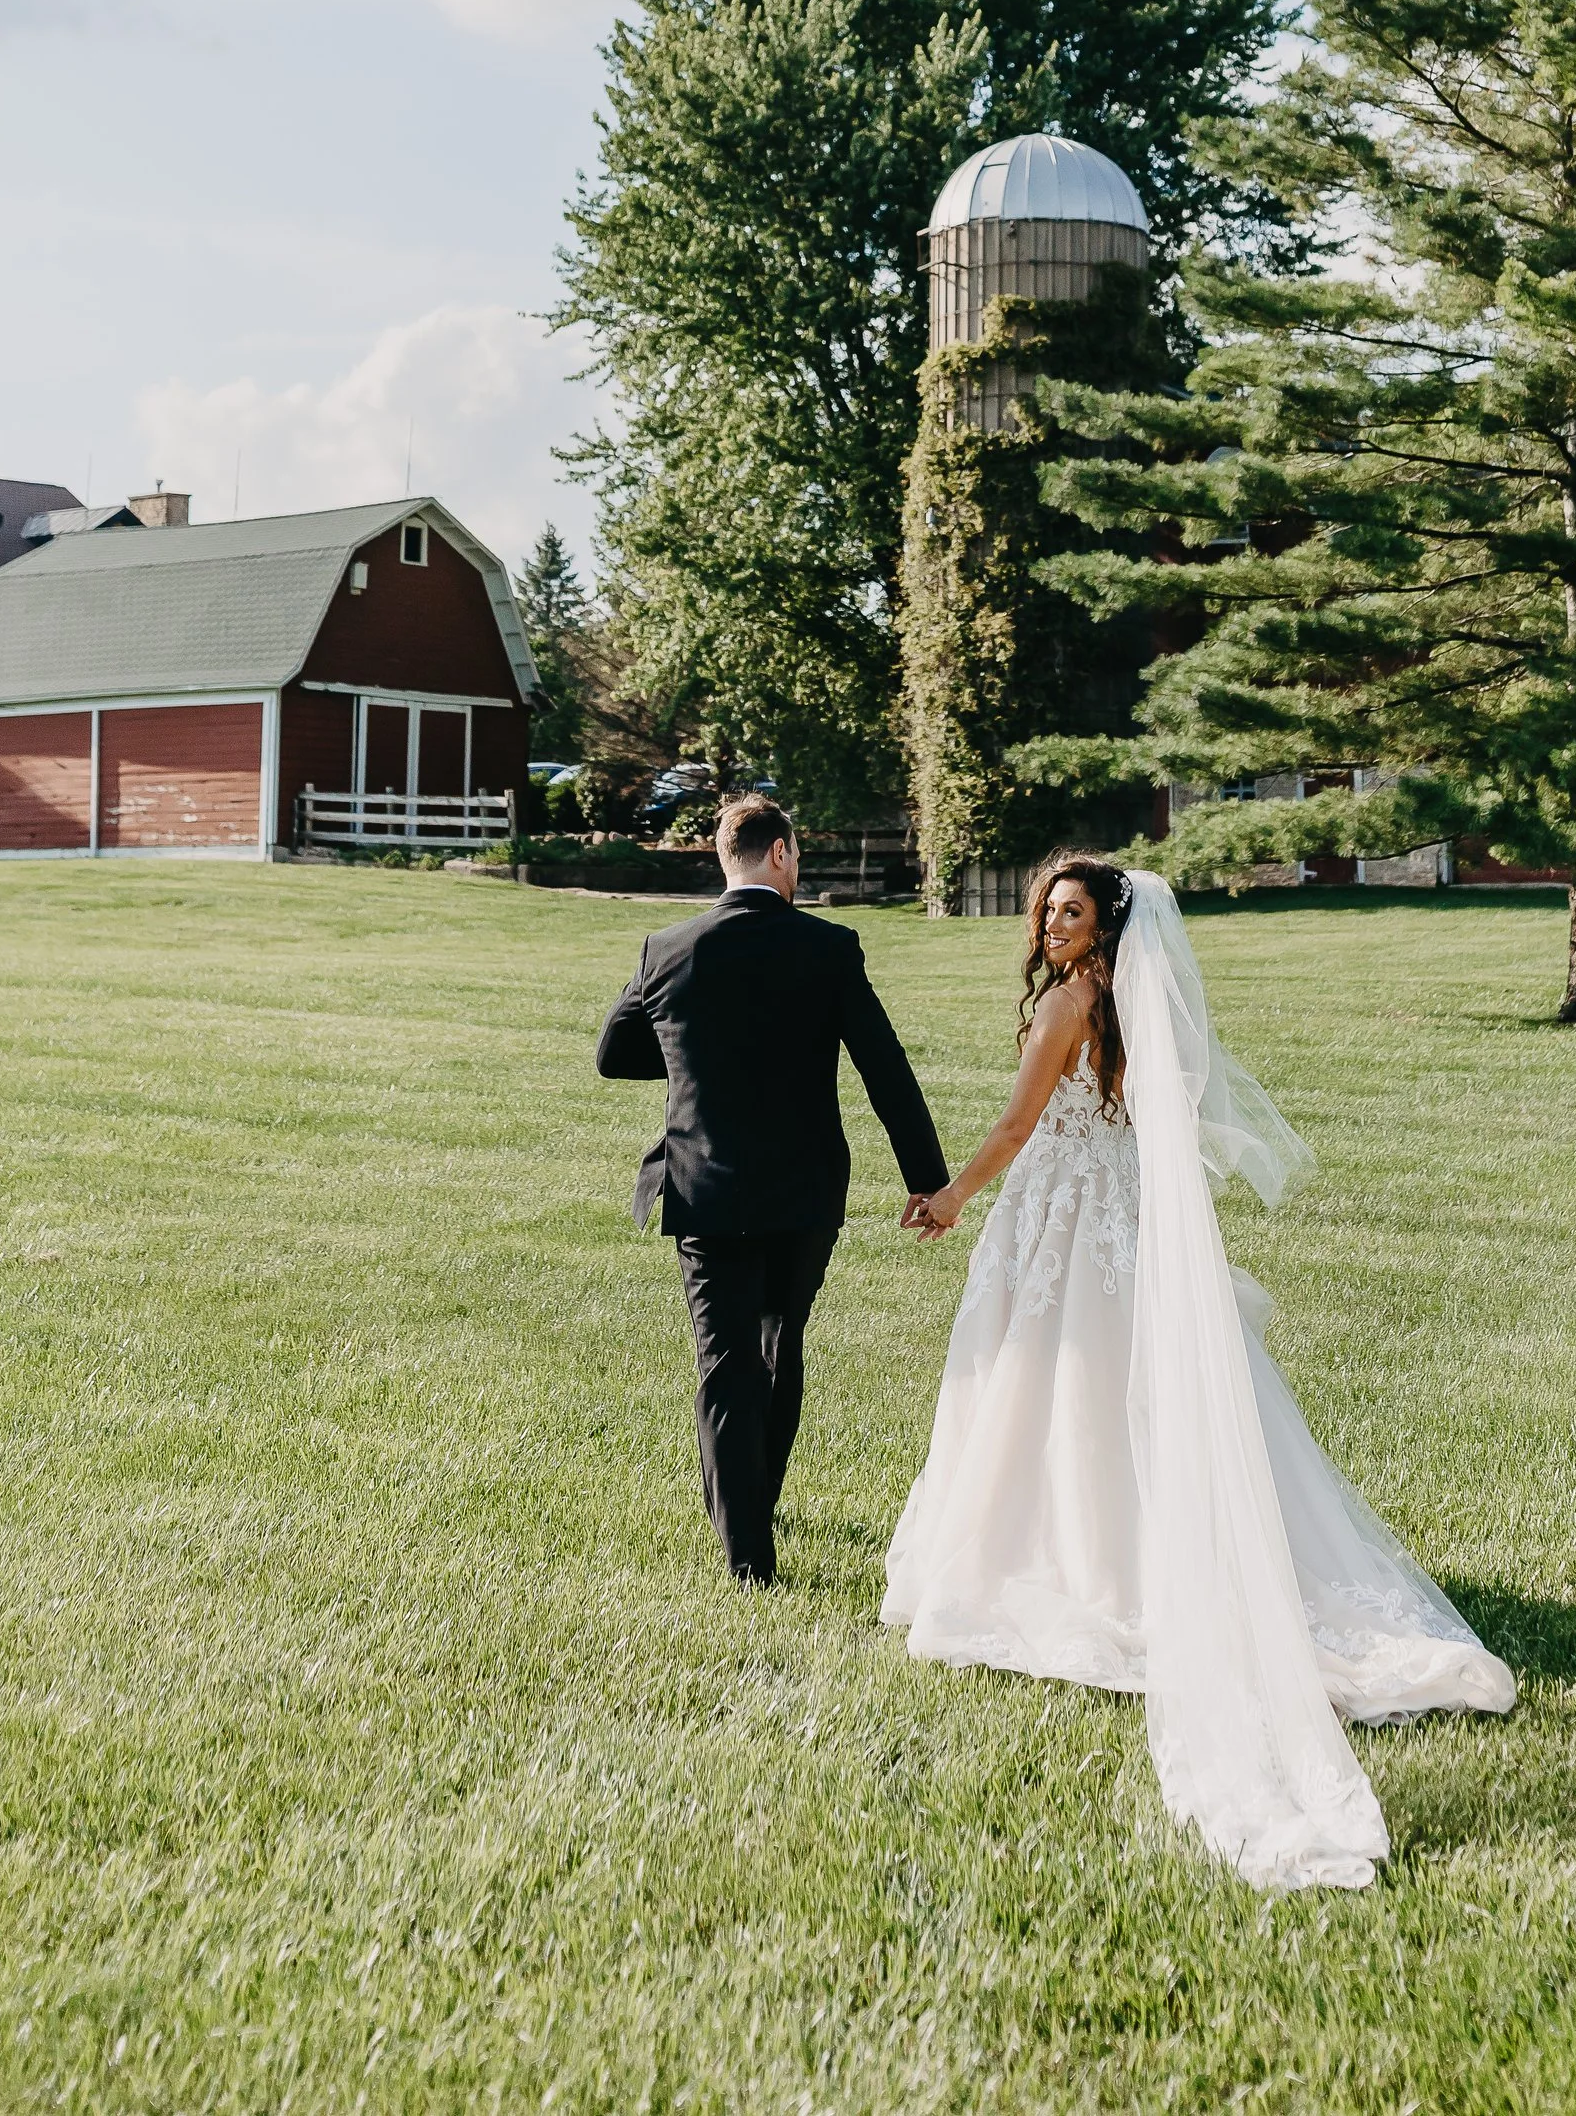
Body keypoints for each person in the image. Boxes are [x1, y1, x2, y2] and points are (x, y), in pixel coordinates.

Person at [884, 855, 1514, 1890]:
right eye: (1046, 911)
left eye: (1070, 913)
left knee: (1052, 1386)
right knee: (1106, 1387)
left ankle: (1079, 1565)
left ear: (1102, 928)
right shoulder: (1136, 1011)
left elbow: (1015, 1126)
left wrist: (950, 1198)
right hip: (1125, 1218)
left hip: (1063, 1218)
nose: (1050, 925)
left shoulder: (1068, 1010)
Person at [596, 794, 948, 1585]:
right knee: (778, 1352)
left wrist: (700, 1050)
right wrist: (927, 1179)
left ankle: (747, 1554)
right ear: (782, 853)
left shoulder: (667, 949)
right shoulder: (828, 947)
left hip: (705, 1186)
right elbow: (885, 1069)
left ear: (727, 859)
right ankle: (756, 1501)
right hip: (803, 1190)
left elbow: (614, 1054)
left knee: (725, 1367)